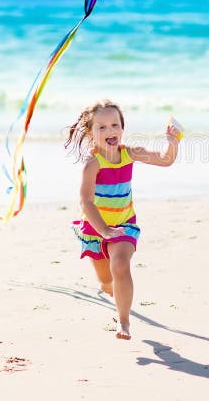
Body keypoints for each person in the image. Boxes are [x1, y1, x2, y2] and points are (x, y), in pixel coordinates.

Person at [65, 99, 180, 340]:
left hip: (124, 223)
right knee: (106, 279)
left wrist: (172, 143)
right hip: (96, 227)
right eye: (102, 127)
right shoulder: (92, 164)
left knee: (119, 264)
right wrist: (104, 230)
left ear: (122, 127)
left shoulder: (130, 153)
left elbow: (165, 159)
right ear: (90, 132)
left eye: (115, 124)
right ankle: (107, 287)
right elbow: (86, 202)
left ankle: (124, 322)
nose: (110, 131)